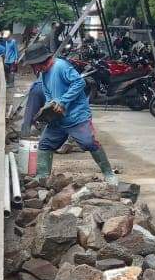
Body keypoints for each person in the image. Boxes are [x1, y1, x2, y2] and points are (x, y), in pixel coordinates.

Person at [20, 43, 118, 186]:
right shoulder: (44, 74)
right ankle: (42, 177)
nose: (34, 68)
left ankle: (109, 174)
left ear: (41, 61)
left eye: (34, 65)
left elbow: (79, 83)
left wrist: (63, 101)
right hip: (58, 119)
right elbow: (48, 93)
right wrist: (49, 108)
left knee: (88, 142)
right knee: (45, 144)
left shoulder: (61, 67)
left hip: (76, 116)